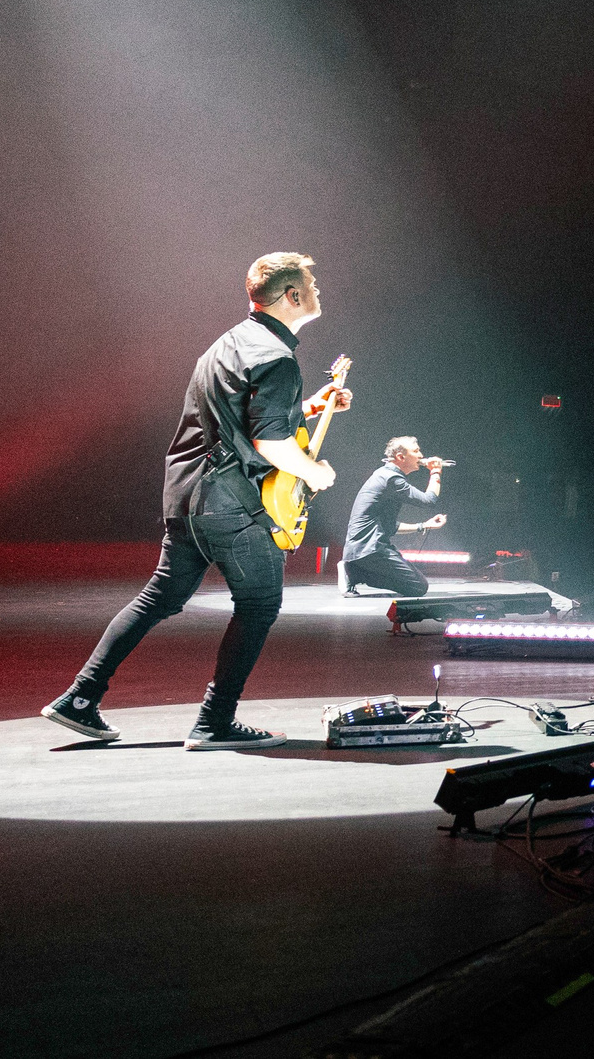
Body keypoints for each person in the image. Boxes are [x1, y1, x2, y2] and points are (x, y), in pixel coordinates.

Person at [41, 253, 349, 751]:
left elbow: (236, 419)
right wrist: (317, 473)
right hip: (232, 505)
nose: (318, 291)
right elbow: (270, 442)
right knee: (259, 606)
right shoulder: (277, 357)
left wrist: (309, 406)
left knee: (158, 599)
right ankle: (214, 722)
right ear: (293, 296)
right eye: (312, 284)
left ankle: (80, 698)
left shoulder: (225, 345)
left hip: (187, 496)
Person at [337, 437, 448, 597]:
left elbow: (390, 525)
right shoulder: (391, 478)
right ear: (400, 457)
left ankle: (354, 570)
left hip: (364, 549)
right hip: (369, 548)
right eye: (416, 451)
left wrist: (423, 525)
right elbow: (428, 500)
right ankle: (354, 573)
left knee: (415, 584)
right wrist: (435, 471)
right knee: (418, 587)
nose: (421, 455)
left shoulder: (384, 475)